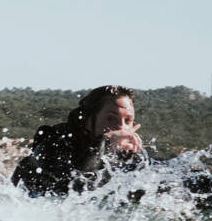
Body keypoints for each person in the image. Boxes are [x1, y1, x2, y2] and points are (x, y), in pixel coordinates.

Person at [11, 84, 145, 196]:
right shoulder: (57, 140)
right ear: (88, 119)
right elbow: (79, 185)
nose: (121, 128)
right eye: (110, 118)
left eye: (127, 121)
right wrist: (104, 140)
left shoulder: (128, 154)